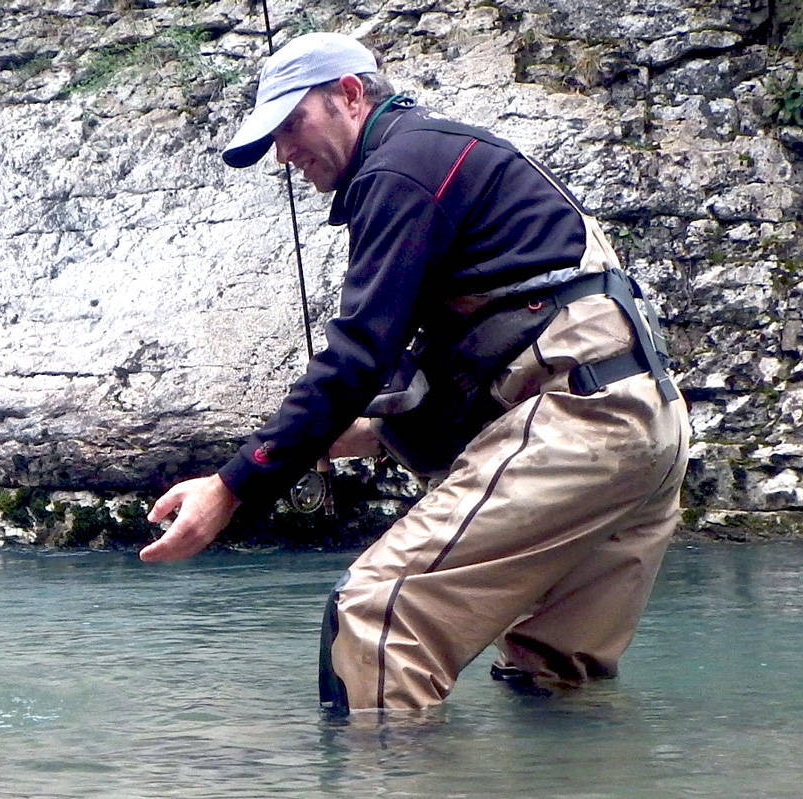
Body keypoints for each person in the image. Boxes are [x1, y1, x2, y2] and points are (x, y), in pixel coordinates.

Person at [138, 32, 690, 714]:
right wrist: (341, 439)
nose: (284, 152)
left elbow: (356, 359)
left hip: (581, 417)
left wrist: (233, 489)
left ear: (348, 94)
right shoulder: (454, 157)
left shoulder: (397, 169)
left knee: (375, 618)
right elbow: (485, 362)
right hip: (647, 422)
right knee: (549, 673)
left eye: (291, 124)